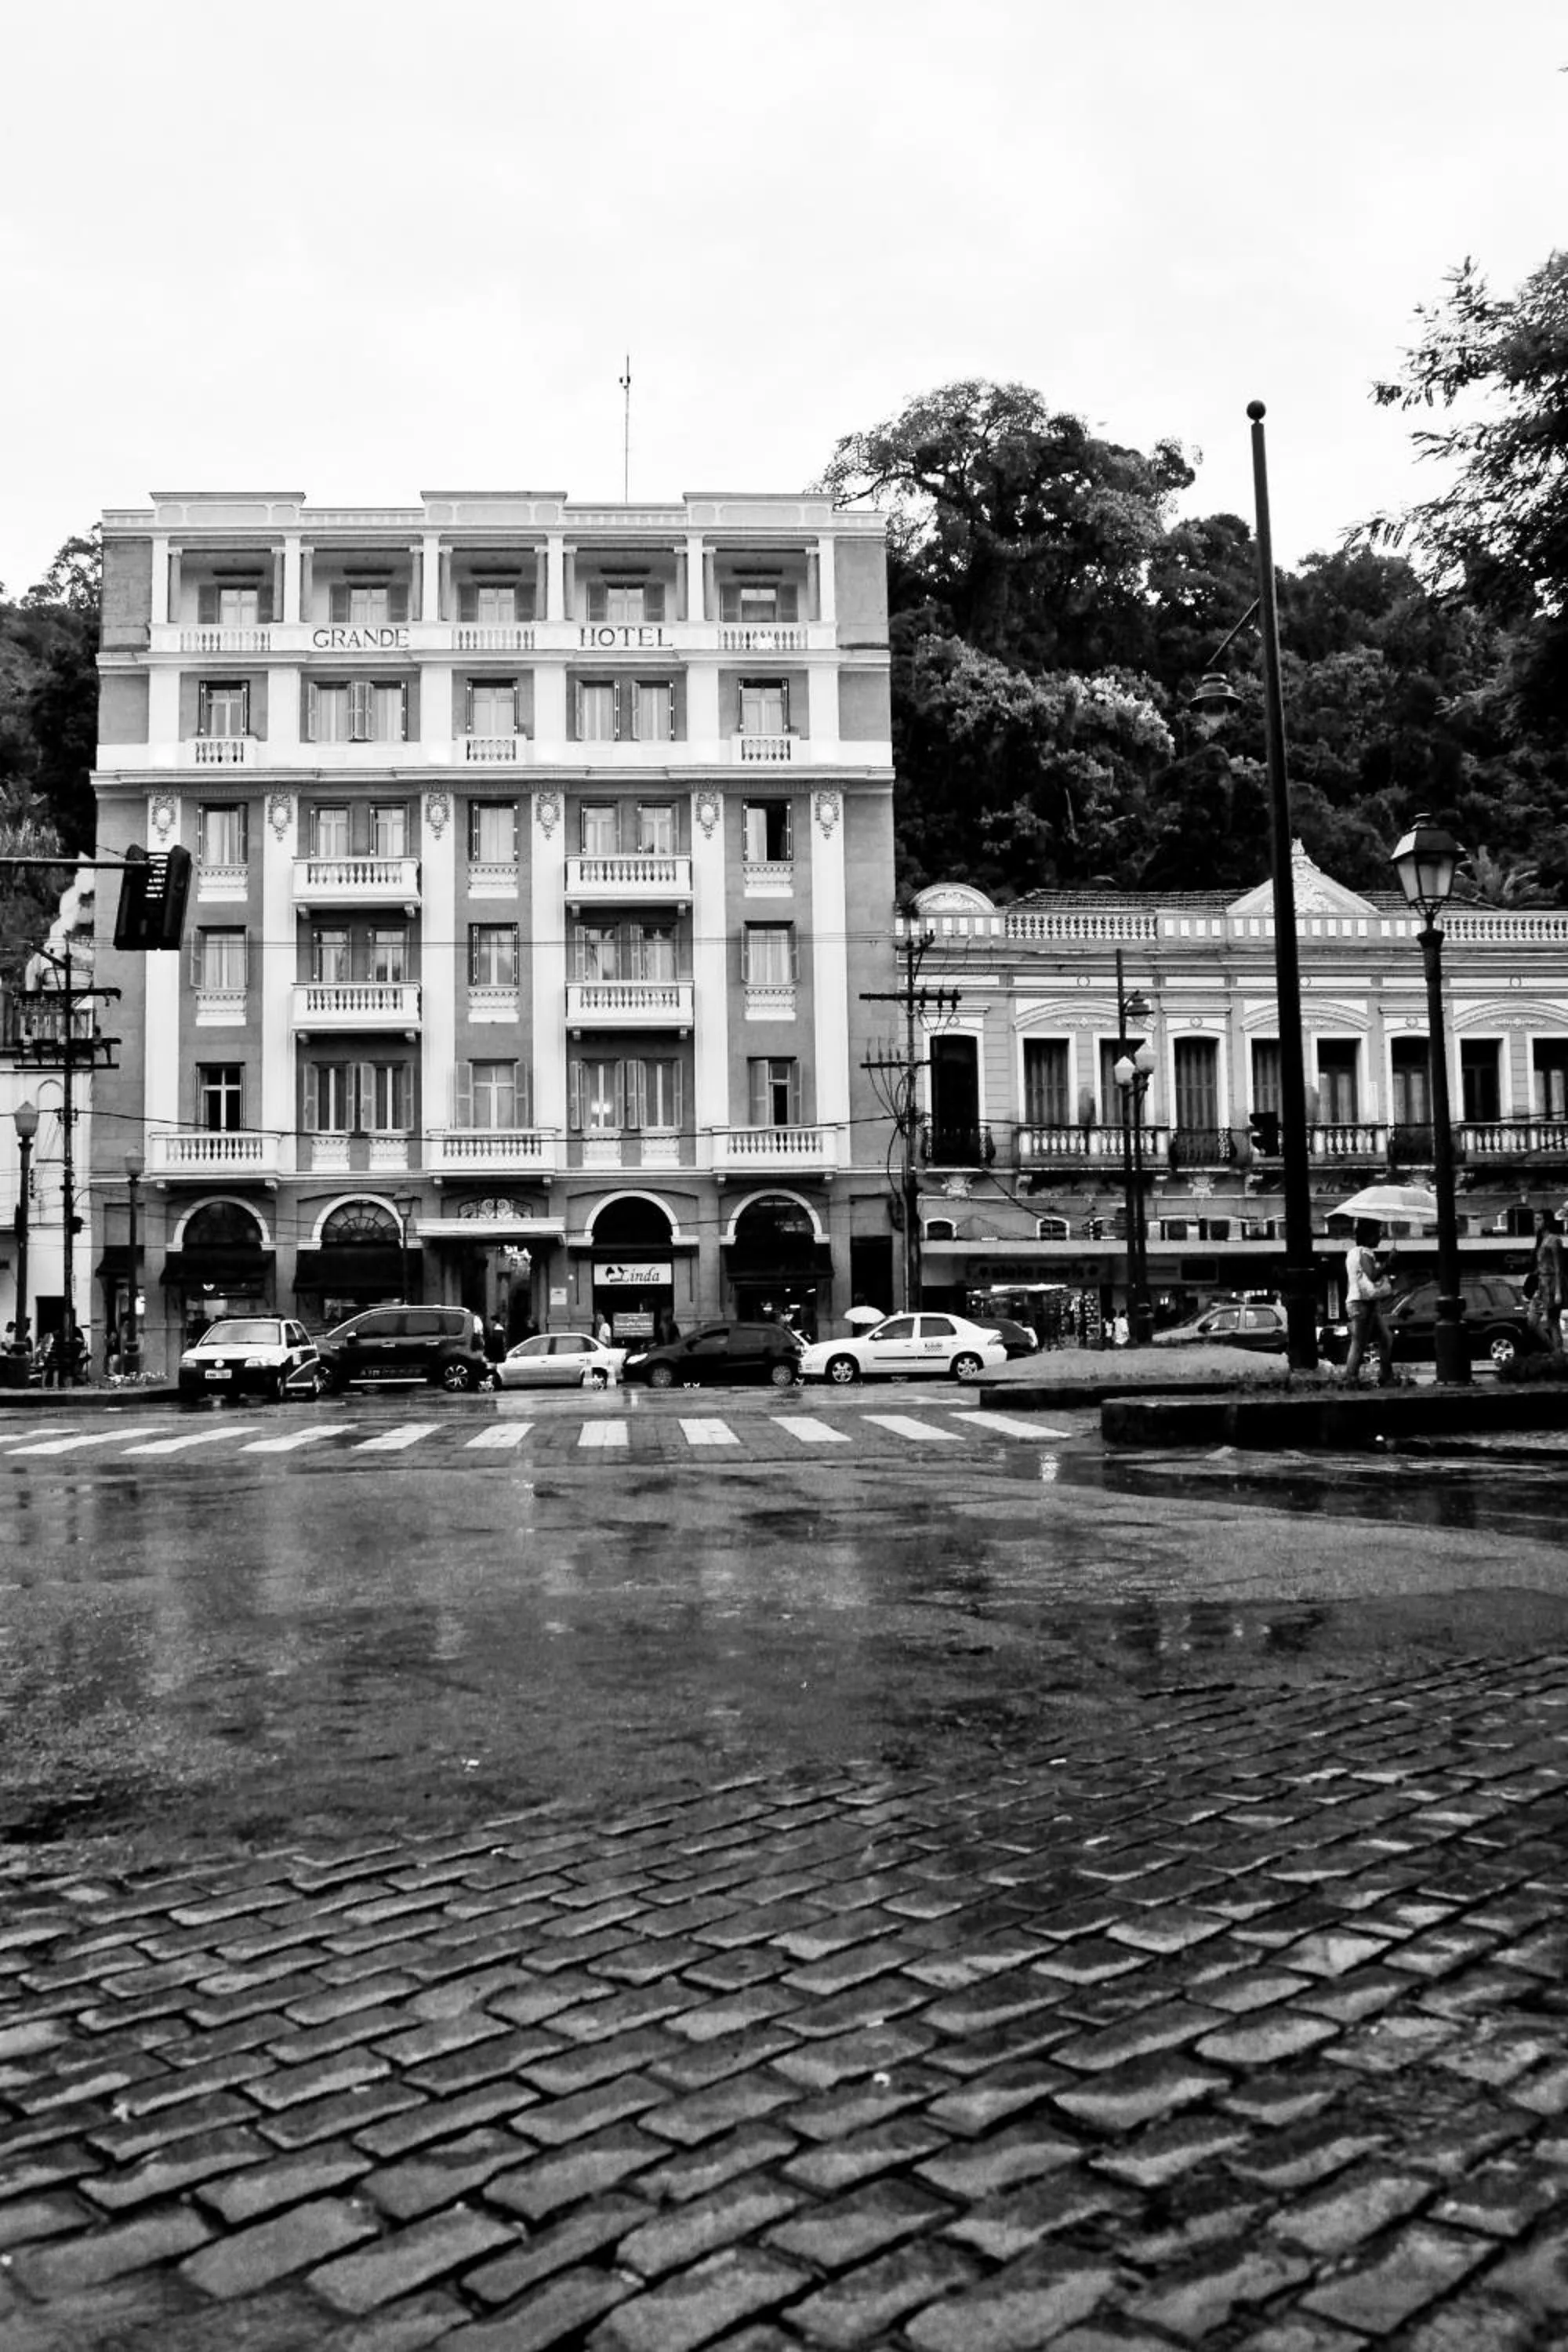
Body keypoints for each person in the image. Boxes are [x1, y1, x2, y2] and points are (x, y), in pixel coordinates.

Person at [1342, 1220, 1396, 1385]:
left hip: (1363, 1303)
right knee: (1359, 1343)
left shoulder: (1352, 1253)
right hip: (1362, 1304)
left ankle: (1386, 1376)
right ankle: (1350, 1379)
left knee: (1384, 1338)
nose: (1380, 1237)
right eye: (1378, 1233)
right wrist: (1389, 1262)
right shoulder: (1365, 1252)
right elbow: (1372, 1275)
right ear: (1368, 1235)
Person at [1531, 1213, 1565, 1358]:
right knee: (1532, 1321)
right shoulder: (1541, 1240)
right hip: (1541, 1284)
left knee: (1553, 1321)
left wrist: (1558, 1291)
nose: (1536, 1222)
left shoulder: (1554, 1240)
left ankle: (1558, 1353)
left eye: (1539, 1219)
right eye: (1535, 1219)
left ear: (1547, 1221)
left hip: (1551, 1284)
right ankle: (1553, 1349)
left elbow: (1559, 1267)